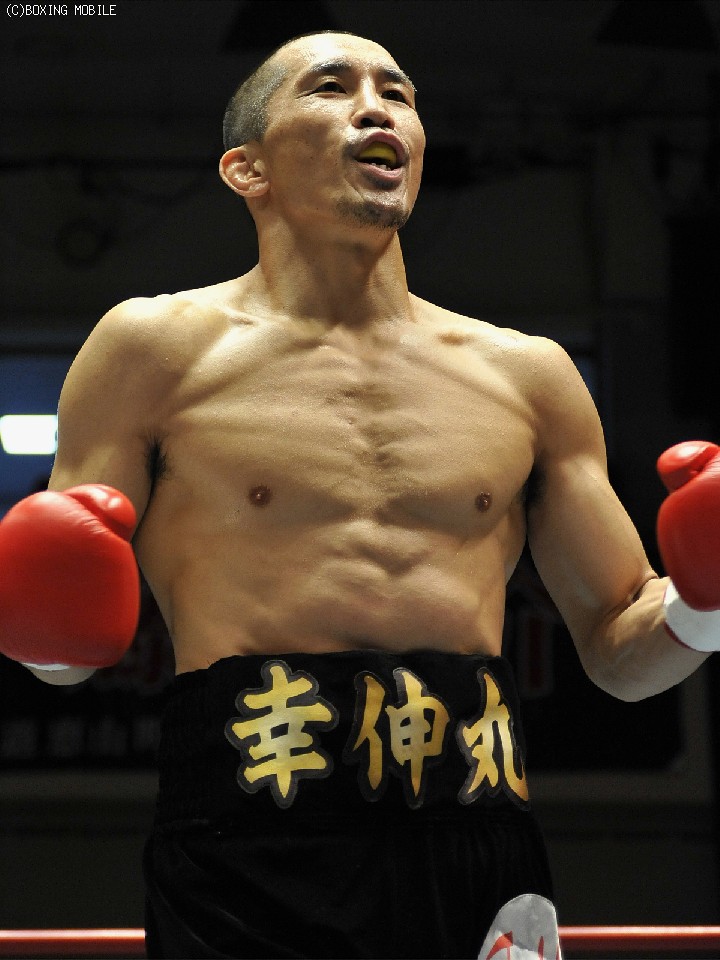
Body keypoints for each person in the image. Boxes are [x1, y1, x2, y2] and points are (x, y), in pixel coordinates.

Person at [0, 30, 718, 960]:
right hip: (250, 833)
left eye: (399, 93)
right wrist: (44, 626)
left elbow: (621, 654)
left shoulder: (529, 376)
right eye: (331, 88)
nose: (377, 108)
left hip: (476, 826)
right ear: (247, 168)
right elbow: (62, 652)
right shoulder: (152, 350)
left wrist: (702, 606)